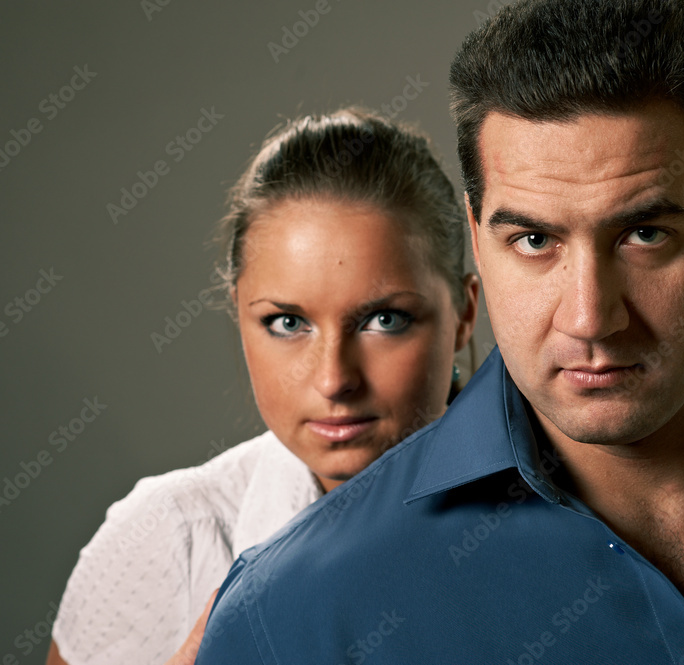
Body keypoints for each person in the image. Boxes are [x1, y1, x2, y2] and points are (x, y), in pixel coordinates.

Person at [194, 1, 684, 663]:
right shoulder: (289, 622)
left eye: (643, 234)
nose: (589, 318)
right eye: (535, 241)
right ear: (476, 242)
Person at [45, 107, 479, 665]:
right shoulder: (169, 538)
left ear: (464, 313)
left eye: (384, 320)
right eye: (288, 322)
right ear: (238, 313)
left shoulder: (564, 526)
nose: (334, 379)